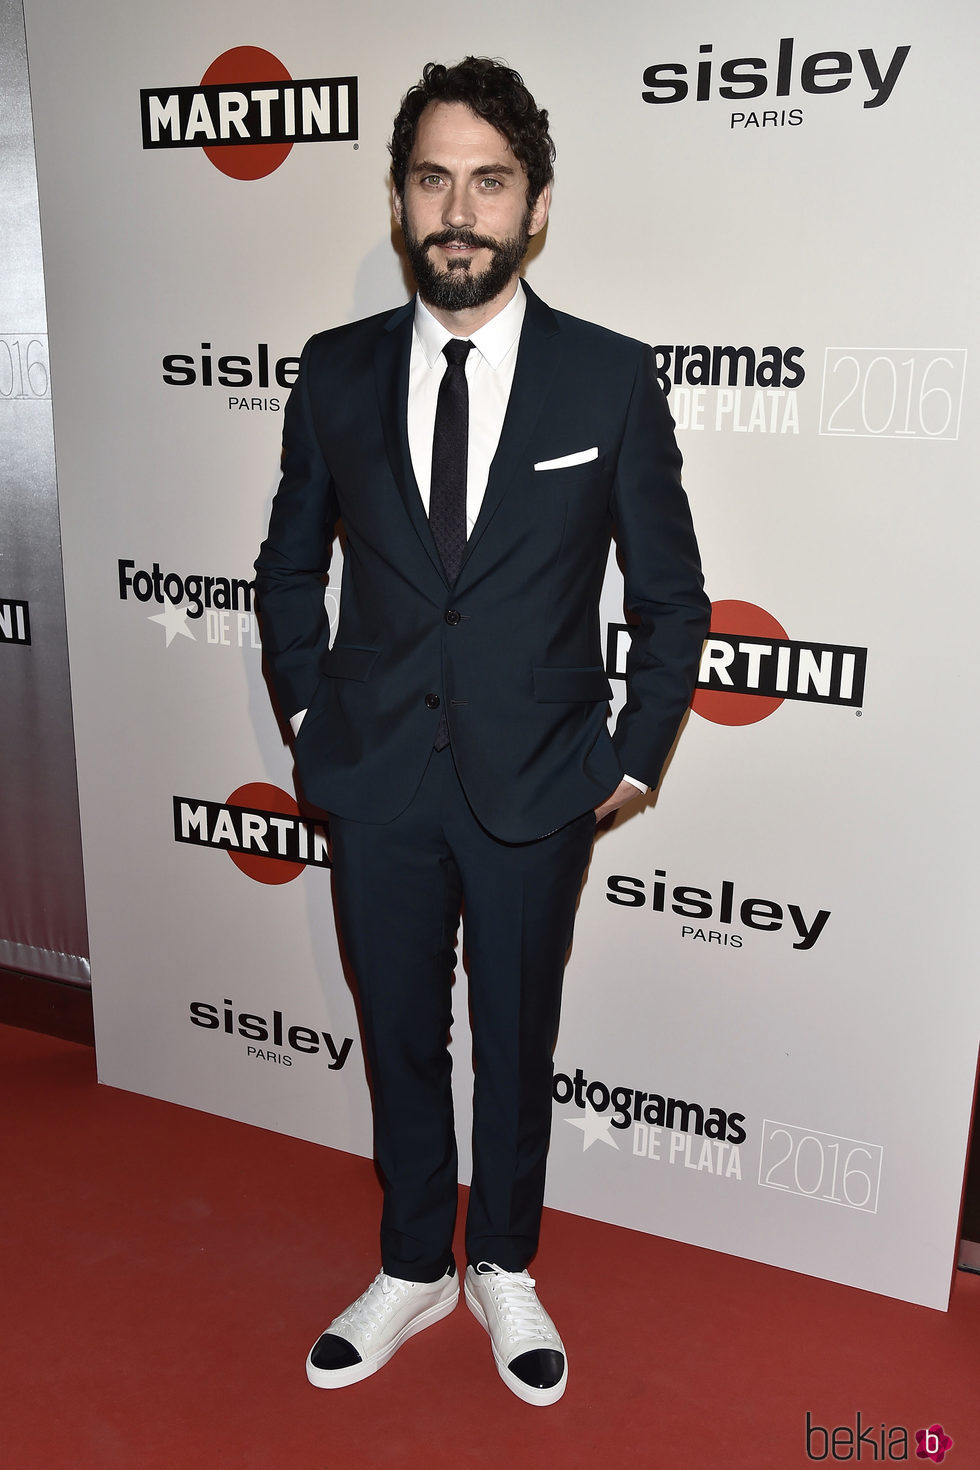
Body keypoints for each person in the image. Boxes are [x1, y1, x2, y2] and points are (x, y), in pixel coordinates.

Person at [254, 56, 710, 1407]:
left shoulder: (608, 380)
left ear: (537, 206)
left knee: (516, 1036)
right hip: (377, 776)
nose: (460, 209)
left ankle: (502, 1260)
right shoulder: (334, 373)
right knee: (397, 1027)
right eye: (434, 179)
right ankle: (412, 1263)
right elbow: (288, 567)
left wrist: (632, 757)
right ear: (401, 203)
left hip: (536, 782)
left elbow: (672, 593)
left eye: (489, 181)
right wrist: (303, 705)